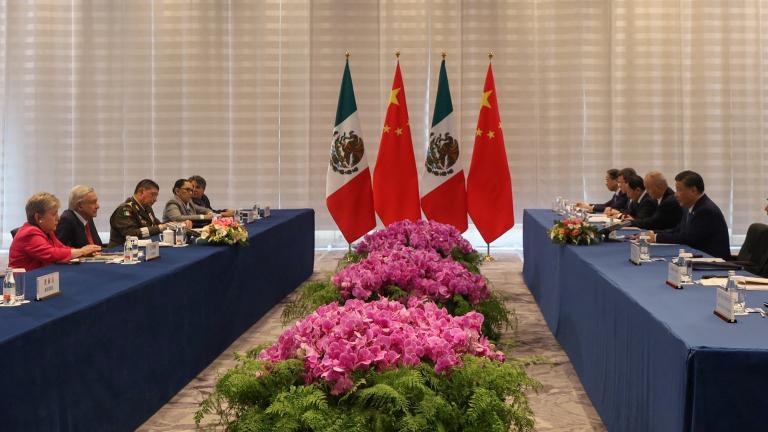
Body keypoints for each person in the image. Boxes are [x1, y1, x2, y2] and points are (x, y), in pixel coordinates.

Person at [646, 170, 730, 260]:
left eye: (679, 190)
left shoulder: (705, 210)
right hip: (697, 258)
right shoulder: (689, 207)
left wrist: (656, 237)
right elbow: (678, 230)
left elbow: (687, 238)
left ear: (693, 190)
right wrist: (654, 233)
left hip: (714, 263)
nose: (675, 195)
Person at [9, 192, 102, 270]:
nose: (58, 218)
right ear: (38, 217)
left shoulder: (47, 231)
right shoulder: (29, 233)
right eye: (54, 214)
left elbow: (61, 248)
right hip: (21, 284)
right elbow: (52, 254)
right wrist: (81, 251)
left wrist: (81, 251)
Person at [109, 179, 189, 247]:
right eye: (153, 194)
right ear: (141, 192)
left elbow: (158, 225)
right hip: (122, 251)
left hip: (143, 248)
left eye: (156, 196)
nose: (155, 199)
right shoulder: (125, 209)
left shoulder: (147, 208)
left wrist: (179, 225)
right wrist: (162, 227)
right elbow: (130, 234)